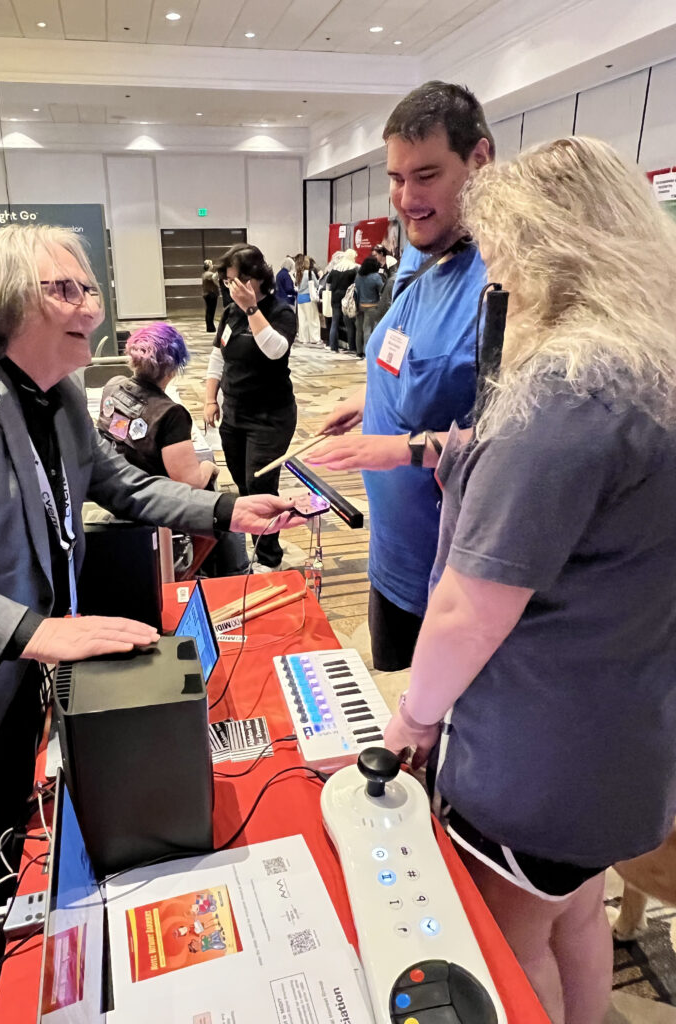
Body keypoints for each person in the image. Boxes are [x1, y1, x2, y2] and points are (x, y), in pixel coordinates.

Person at [0, 224, 298, 1009]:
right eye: (65, 289)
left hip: (29, 682)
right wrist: (36, 633)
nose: (91, 303)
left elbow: (124, 487)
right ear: (3, 301)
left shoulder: (58, 392)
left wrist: (224, 507)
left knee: (34, 857)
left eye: (90, 287)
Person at [382, 136, 676, 1024]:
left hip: (539, 759)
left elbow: (471, 607)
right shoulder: (650, 365)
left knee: (510, 942)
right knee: (576, 909)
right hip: (625, 738)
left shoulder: (565, 388)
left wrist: (413, 718)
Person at [307, 82, 493, 670]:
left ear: (479, 160)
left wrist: (395, 447)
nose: (406, 198)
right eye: (395, 177)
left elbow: (519, 454)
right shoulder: (423, 248)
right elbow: (421, 356)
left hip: (452, 584)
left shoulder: (507, 281)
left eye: (427, 175)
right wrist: (375, 396)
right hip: (390, 554)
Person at [98, 321, 247, 575]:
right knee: (228, 510)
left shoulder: (113, 385)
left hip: (116, 496)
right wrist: (208, 467)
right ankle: (239, 578)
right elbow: (190, 483)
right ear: (173, 368)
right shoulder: (171, 414)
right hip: (156, 506)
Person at [203, 243, 298, 571]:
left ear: (256, 278)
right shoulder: (230, 312)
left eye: (236, 281)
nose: (232, 289)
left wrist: (252, 310)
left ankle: (269, 558)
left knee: (260, 486)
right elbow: (219, 355)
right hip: (235, 415)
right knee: (243, 486)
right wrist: (208, 397)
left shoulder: (279, 311)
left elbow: (275, 350)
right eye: (227, 282)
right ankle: (258, 541)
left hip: (271, 418)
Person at [326, 248, 357, 352]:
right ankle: (352, 346)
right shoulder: (353, 268)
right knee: (348, 322)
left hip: (335, 297)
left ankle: (333, 346)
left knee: (334, 321)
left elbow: (328, 281)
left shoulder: (335, 268)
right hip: (346, 298)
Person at [353, 255, 383, 358]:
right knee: (368, 329)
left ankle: (359, 351)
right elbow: (381, 290)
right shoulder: (375, 276)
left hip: (359, 305)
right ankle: (367, 352)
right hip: (372, 306)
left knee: (359, 330)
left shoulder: (358, 276)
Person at [296, 255, 320, 346]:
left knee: (302, 320)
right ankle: (315, 338)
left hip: (300, 298)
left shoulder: (298, 273)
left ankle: (304, 338)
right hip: (308, 298)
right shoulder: (310, 273)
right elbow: (317, 285)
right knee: (313, 319)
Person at [201, 259, 219, 333]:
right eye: (211, 264)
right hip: (211, 294)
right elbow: (216, 277)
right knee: (211, 311)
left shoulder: (204, 274)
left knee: (209, 311)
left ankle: (210, 327)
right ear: (208, 266)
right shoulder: (209, 274)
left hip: (207, 294)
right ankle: (210, 327)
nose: (212, 265)